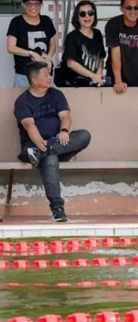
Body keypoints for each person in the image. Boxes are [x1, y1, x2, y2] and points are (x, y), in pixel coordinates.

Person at [14, 62, 92, 222]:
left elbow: (66, 116)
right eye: (46, 75)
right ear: (35, 80)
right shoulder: (22, 101)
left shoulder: (56, 94)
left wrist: (63, 131)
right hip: (35, 144)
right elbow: (29, 124)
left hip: (58, 144)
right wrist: (39, 143)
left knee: (84, 135)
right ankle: (58, 210)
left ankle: (41, 153)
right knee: (50, 160)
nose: (49, 78)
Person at [6, 0, 57, 88]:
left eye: (37, 4)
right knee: (23, 102)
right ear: (24, 4)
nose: (33, 7)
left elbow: (52, 44)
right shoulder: (16, 22)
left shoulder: (46, 21)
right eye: (29, 4)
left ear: (41, 5)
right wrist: (32, 54)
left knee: (47, 102)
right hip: (24, 75)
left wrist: (48, 58)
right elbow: (11, 47)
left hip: (45, 73)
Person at [55, 0, 107, 87]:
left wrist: (98, 74)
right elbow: (71, 63)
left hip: (91, 82)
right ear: (77, 17)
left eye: (90, 13)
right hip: (72, 83)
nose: (87, 16)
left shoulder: (98, 34)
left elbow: (101, 57)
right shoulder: (72, 37)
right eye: (83, 14)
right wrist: (92, 75)